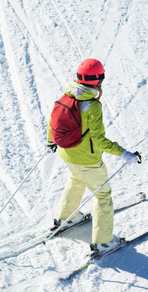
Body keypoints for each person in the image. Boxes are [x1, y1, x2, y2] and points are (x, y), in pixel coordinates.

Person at [46, 58, 139, 252]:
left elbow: (52, 120)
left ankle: (67, 217)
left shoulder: (67, 93)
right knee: (102, 195)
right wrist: (124, 154)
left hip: (67, 152)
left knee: (76, 179)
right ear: (98, 80)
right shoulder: (92, 105)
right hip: (88, 159)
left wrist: (50, 140)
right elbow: (99, 140)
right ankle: (104, 241)